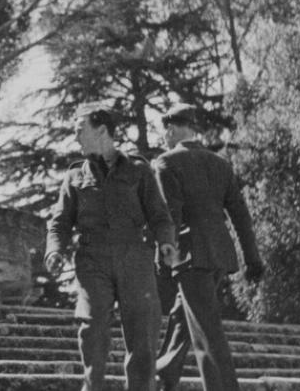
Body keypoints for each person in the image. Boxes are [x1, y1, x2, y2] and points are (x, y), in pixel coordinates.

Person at [45, 104, 178, 391]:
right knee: (92, 328)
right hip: (93, 259)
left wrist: (166, 242)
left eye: (81, 130)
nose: (76, 137)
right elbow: (59, 222)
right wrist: (54, 250)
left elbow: (158, 214)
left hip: (134, 256)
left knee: (142, 332)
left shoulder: (139, 170)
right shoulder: (74, 176)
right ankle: (91, 387)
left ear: (102, 130)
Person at [152, 104, 264, 391]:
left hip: (190, 257)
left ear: (173, 129)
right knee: (183, 316)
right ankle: (163, 374)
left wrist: (163, 255)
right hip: (219, 256)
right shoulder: (220, 164)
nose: (164, 136)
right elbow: (240, 214)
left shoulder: (166, 162)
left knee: (207, 331)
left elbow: (171, 215)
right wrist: (252, 259)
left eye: (166, 130)